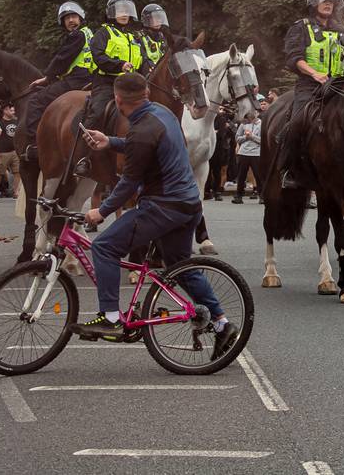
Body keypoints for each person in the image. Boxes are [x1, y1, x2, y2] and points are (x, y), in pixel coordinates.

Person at [72, 73, 239, 359]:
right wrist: (111, 141)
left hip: (163, 207)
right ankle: (222, 323)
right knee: (181, 265)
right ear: (147, 93)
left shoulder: (141, 131)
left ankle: (110, 318)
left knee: (104, 246)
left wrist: (101, 211)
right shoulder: (161, 113)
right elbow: (145, 145)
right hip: (188, 205)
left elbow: (127, 184)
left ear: (117, 99)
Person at [277, 0, 344, 189]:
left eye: (332, 2)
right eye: (325, 1)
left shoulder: (341, 30)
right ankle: (289, 170)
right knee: (297, 122)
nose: (329, 5)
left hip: (339, 87)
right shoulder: (301, 27)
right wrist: (314, 73)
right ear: (314, 3)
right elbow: (294, 58)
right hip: (310, 86)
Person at [75, 0, 150, 177]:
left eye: (127, 10)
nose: (124, 14)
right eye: (120, 10)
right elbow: (98, 56)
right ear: (111, 13)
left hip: (132, 85)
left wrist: (149, 70)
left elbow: (144, 60)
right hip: (107, 83)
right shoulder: (103, 33)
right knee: (99, 111)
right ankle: (84, 157)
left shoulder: (135, 37)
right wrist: (119, 65)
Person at [21, 2, 97, 163]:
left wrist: (48, 77)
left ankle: (34, 146)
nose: (70, 21)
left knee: (35, 101)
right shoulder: (90, 34)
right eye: (67, 18)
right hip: (90, 80)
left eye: (73, 17)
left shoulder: (76, 36)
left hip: (75, 81)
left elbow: (62, 60)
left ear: (80, 18)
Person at [233, 111, 262, 204]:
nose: (250, 117)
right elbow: (237, 138)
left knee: (259, 175)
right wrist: (246, 137)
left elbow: (263, 140)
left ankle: (262, 196)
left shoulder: (262, 124)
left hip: (256, 153)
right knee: (241, 176)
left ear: (256, 113)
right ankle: (239, 195)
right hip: (244, 152)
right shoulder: (243, 124)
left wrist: (252, 136)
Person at [0, 104, 20, 199]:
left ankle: (16, 192)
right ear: (5, 111)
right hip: (3, 151)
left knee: (17, 172)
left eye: (13, 110)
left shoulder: (16, 121)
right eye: (10, 110)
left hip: (15, 150)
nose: (12, 112)